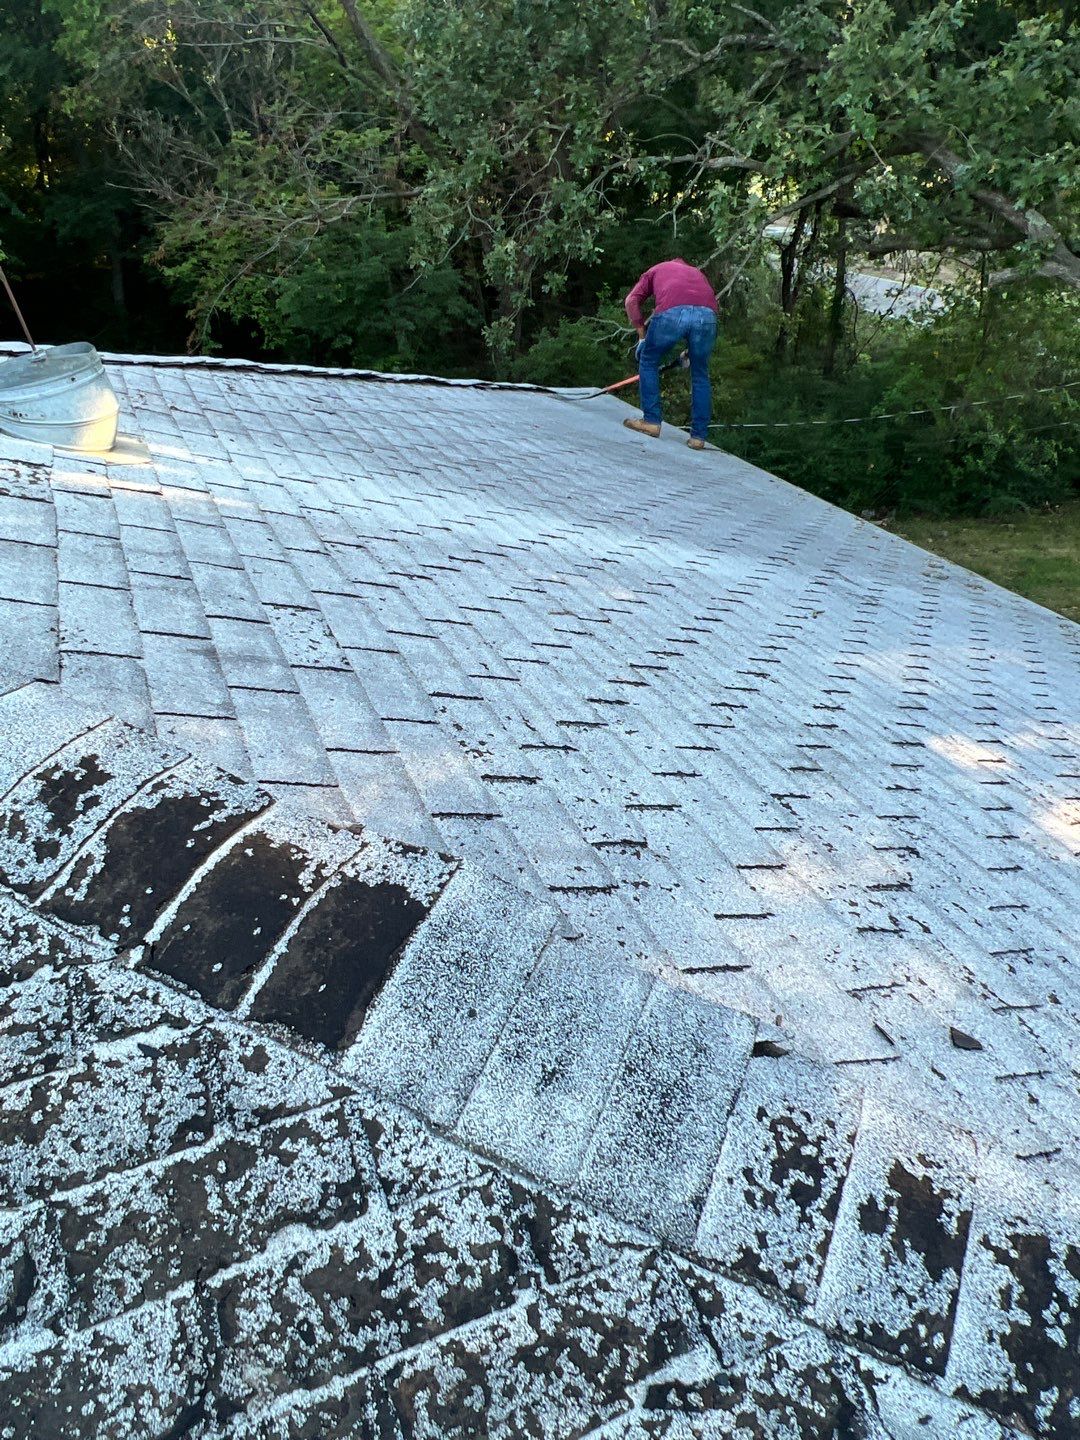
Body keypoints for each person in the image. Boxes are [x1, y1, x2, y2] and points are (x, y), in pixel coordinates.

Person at [623, 256, 718, 450]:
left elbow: (631, 301)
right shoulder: (697, 273)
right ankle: (698, 437)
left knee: (648, 360)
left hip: (673, 313)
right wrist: (692, 352)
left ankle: (651, 421)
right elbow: (704, 307)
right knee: (700, 374)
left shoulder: (656, 270)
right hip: (708, 317)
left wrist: (642, 337)